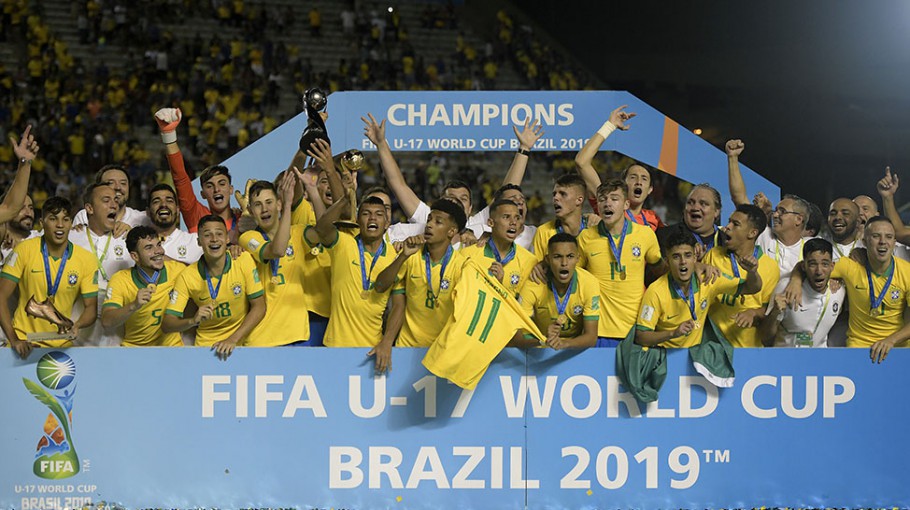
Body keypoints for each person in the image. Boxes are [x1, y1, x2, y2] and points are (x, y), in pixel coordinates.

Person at [787, 216, 910, 361]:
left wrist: (891, 340)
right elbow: (809, 266)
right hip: (859, 345)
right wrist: (795, 280)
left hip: (897, 346)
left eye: (889, 237)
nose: (883, 242)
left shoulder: (907, 272)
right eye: (876, 236)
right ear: (864, 242)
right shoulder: (849, 266)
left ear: (894, 242)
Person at [370, 199, 468, 372]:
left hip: (442, 352)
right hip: (407, 348)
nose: (429, 225)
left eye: (438, 222)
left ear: (451, 231)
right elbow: (383, 290)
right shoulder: (411, 257)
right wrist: (386, 341)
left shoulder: (462, 266)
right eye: (429, 219)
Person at [0, 197, 98, 358]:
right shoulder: (24, 250)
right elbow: (1, 296)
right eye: (53, 219)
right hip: (24, 343)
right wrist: (15, 339)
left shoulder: (86, 260)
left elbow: (91, 308)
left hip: (62, 346)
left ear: (71, 224)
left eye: (65, 219)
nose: (60, 225)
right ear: (42, 222)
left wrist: (78, 325)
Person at [636, 228, 762, 348]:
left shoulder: (708, 280)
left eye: (688, 255)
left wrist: (752, 272)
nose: (683, 261)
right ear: (667, 261)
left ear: (695, 258)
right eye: (676, 257)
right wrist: (673, 333)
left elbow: (751, 288)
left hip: (694, 356)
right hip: (666, 357)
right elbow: (641, 336)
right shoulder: (656, 291)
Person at [163, 215, 266, 359]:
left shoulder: (243, 260)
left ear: (227, 238)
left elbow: (259, 306)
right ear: (199, 241)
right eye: (207, 235)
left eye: (219, 233)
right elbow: (167, 323)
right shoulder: (187, 276)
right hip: (207, 349)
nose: (214, 239)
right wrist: (193, 321)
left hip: (242, 343)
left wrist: (233, 339)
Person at [306, 187, 396, 347]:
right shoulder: (344, 244)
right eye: (366, 214)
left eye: (379, 214)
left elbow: (398, 306)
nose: (372, 218)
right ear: (358, 220)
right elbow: (322, 229)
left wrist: (387, 342)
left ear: (387, 223)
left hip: (372, 348)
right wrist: (343, 201)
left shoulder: (394, 257)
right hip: (336, 345)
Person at [577, 179, 662, 346]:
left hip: (635, 330)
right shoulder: (585, 237)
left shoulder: (645, 234)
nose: (607, 204)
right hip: (597, 331)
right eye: (602, 199)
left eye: (614, 199)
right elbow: (574, 276)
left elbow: (660, 272)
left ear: (626, 204)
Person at [726, 138, 812, 293]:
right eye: (777, 210)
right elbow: (739, 199)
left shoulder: (810, 247)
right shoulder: (763, 236)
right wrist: (733, 158)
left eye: (782, 211)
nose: (776, 214)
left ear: (799, 219)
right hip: (757, 310)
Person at [239, 174, 313, 346]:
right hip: (262, 339)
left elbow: (326, 231)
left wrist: (313, 191)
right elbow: (278, 250)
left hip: (297, 335)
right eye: (258, 205)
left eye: (269, 202)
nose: (264, 209)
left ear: (277, 204)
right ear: (250, 211)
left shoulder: (298, 233)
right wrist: (288, 206)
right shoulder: (249, 237)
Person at [154, 108, 241, 239]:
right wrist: (169, 135)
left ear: (231, 189)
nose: (216, 189)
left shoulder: (245, 219)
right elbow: (180, 179)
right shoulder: (197, 216)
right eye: (210, 186)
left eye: (222, 184)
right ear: (203, 194)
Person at [575, 105, 664, 231]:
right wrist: (610, 126)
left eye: (644, 179)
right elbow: (582, 162)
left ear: (650, 189)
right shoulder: (608, 203)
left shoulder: (653, 219)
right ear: (623, 184)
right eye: (633, 177)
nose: (638, 182)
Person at [702, 204, 779, 347]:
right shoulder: (713, 255)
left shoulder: (770, 267)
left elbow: (767, 311)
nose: (727, 227)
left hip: (747, 349)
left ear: (752, 233)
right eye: (729, 222)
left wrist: (754, 313)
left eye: (735, 224)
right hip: (713, 346)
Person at [69, 183, 134, 346]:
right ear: (89, 209)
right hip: (78, 321)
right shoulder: (71, 237)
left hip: (114, 323)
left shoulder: (126, 238)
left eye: (115, 200)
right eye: (106, 200)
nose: (114, 204)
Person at [101, 226, 187, 346]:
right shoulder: (120, 280)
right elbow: (107, 321)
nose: (158, 251)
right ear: (135, 256)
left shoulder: (177, 270)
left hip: (171, 349)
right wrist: (134, 305)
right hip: (135, 349)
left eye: (158, 245)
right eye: (149, 248)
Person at [517, 232, 600, 349]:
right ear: (547, 259)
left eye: (570, 256)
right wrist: (543, 340)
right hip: (540, 345)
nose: (564, 263)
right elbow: (518, 337)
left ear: (578, 259)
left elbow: (591, 337)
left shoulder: (589, 283)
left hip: (574, 347)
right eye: (557, 257)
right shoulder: (534, 284)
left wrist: (564, 344)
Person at [759, 238, 844, 347]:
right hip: (786, 359)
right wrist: (775, 312)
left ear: (832, 266)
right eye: (813, 264)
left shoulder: (838, 292)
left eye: (825, 264)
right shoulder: (786, 288)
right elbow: (764, 337)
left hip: (818, 360)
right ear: (804, 266)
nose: (819, 271)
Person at [460, 199, 537, 297]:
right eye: (506, 217)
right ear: (491, 223)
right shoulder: (467, 256)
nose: (513, 222)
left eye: (517, 218)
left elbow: (523, 306)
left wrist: (500, 285)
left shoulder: (529, 261)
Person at [531, 173, 591, 260]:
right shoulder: (543, 232)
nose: (555, 198)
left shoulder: (593, 228)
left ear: (579, 200)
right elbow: (537, 270)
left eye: (563, 194)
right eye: (554, 194)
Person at [73, 165, 151, 228]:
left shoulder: (142, 219)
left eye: (123, 183)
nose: (118, 187)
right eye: (110, 183)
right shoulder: (84, 217)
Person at [146, 184, 203, 264]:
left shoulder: (196, 241)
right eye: (156, 201)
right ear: (148, 212)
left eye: (169, 201)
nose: (163, 205)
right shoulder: (139, 244)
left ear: (177, 210)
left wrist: (167, 261)